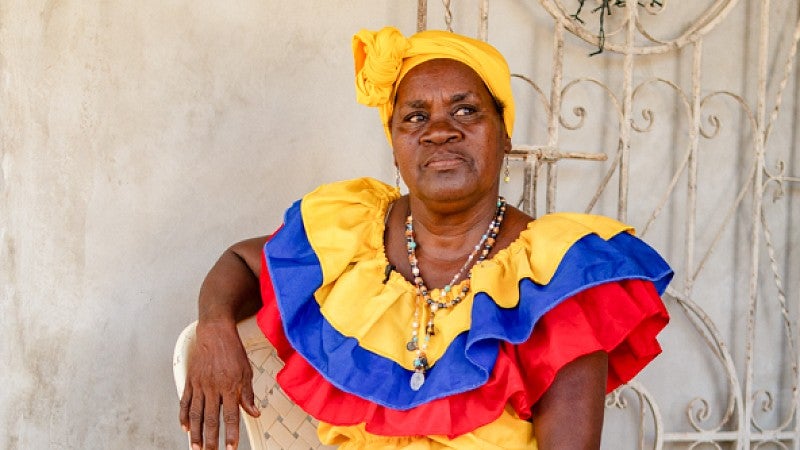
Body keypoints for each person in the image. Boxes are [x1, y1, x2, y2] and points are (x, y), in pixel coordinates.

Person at [178, 26, 672, 450]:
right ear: (395, 147)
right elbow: (241, 263)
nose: (439, 130)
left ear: (504, 136)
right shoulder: (352, 237)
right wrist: (215, 326)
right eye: (415, 116)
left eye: (466, 111)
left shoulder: (556, 280)